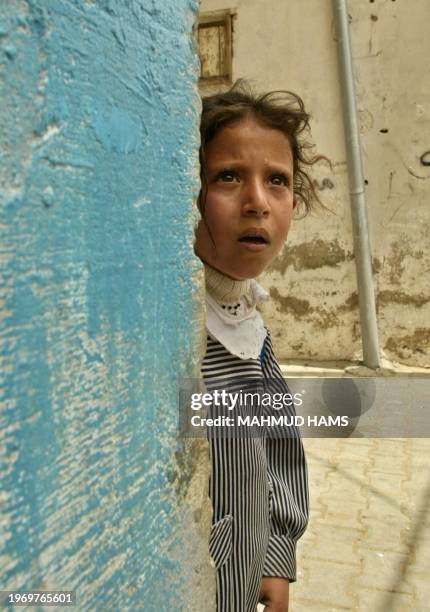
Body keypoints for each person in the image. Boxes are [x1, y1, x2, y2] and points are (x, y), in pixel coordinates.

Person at [194, 80, 324, 612]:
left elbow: (279, 446)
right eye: (228, 177)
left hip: (247, 580)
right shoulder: (184, 330)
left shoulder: (248, 321)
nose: (257, 203)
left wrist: (276, 552)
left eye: (277, 181)